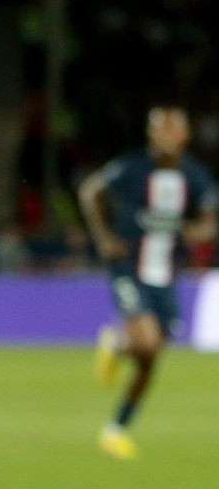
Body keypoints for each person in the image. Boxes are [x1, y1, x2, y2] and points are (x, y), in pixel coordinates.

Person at [78, 105, 217, 460]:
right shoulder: (132, 168)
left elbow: (209, 220)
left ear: (185, 136)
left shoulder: (195, 176)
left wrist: (199, 231)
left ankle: (116, 430)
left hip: (165, 276)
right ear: (150, 134)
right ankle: (121, 343)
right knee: (147, 342)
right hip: (128, 268)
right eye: (160, 130)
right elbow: (90, 191)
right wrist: (103, 237)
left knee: (149, 359)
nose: (166, 137)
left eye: (173, 130)